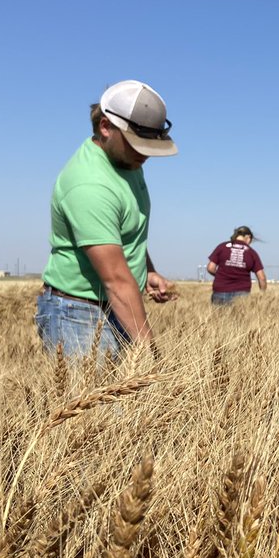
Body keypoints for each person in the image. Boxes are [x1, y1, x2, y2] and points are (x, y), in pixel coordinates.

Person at [36, 80, 179, 357]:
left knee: (129, 400)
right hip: (78, 315)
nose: (146, 153)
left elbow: (124, 229)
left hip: (115, 305)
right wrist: (153, 355)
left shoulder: (127, 159)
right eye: (138, 143)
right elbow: (116, 280)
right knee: (97, 400)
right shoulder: (90, 186)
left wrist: (146, 269)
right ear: (105, 127)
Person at [207, 226, 267, 305]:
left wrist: (220, 276)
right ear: (248, 237)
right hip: (242, 294)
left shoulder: (222, 247)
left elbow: (210, 268)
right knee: (239, 317)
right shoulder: (252, 253)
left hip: (220, 291)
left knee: (218, 316)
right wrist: (262, 294)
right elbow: (262, 278)